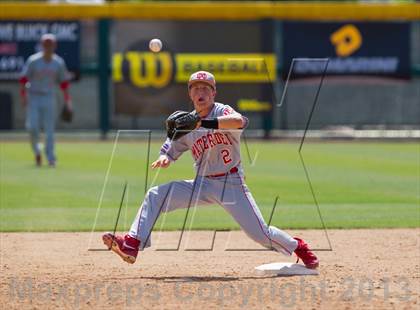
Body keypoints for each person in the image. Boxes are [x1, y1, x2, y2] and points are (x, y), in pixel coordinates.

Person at [102, 71, 319, 269]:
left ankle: (297, 245)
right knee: (155, 195)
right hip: (202, 184)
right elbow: (170, 149)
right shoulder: (185, 123)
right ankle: (131, 243)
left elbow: (239, 121)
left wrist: (204, 124)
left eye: (206, 88)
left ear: (214, 93)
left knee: (260, 235)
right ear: (190, 94)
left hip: (231, 184)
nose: (201, 92)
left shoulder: (222, 111)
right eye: (196, 88)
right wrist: (164, 158)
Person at [19, 33, 72, 167]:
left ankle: (50, 157)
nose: (48, 47)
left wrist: (68, 101)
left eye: (50, 44)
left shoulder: (58, 62)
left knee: (49, 130)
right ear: (42, 45)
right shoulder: (34, 60)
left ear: (54, 46)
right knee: (32, 127)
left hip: (49, 97)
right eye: (46, 44)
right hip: (34, 96)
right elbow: (24, 79)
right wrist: (23, 96)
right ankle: (37, 151)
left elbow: (64, 83)